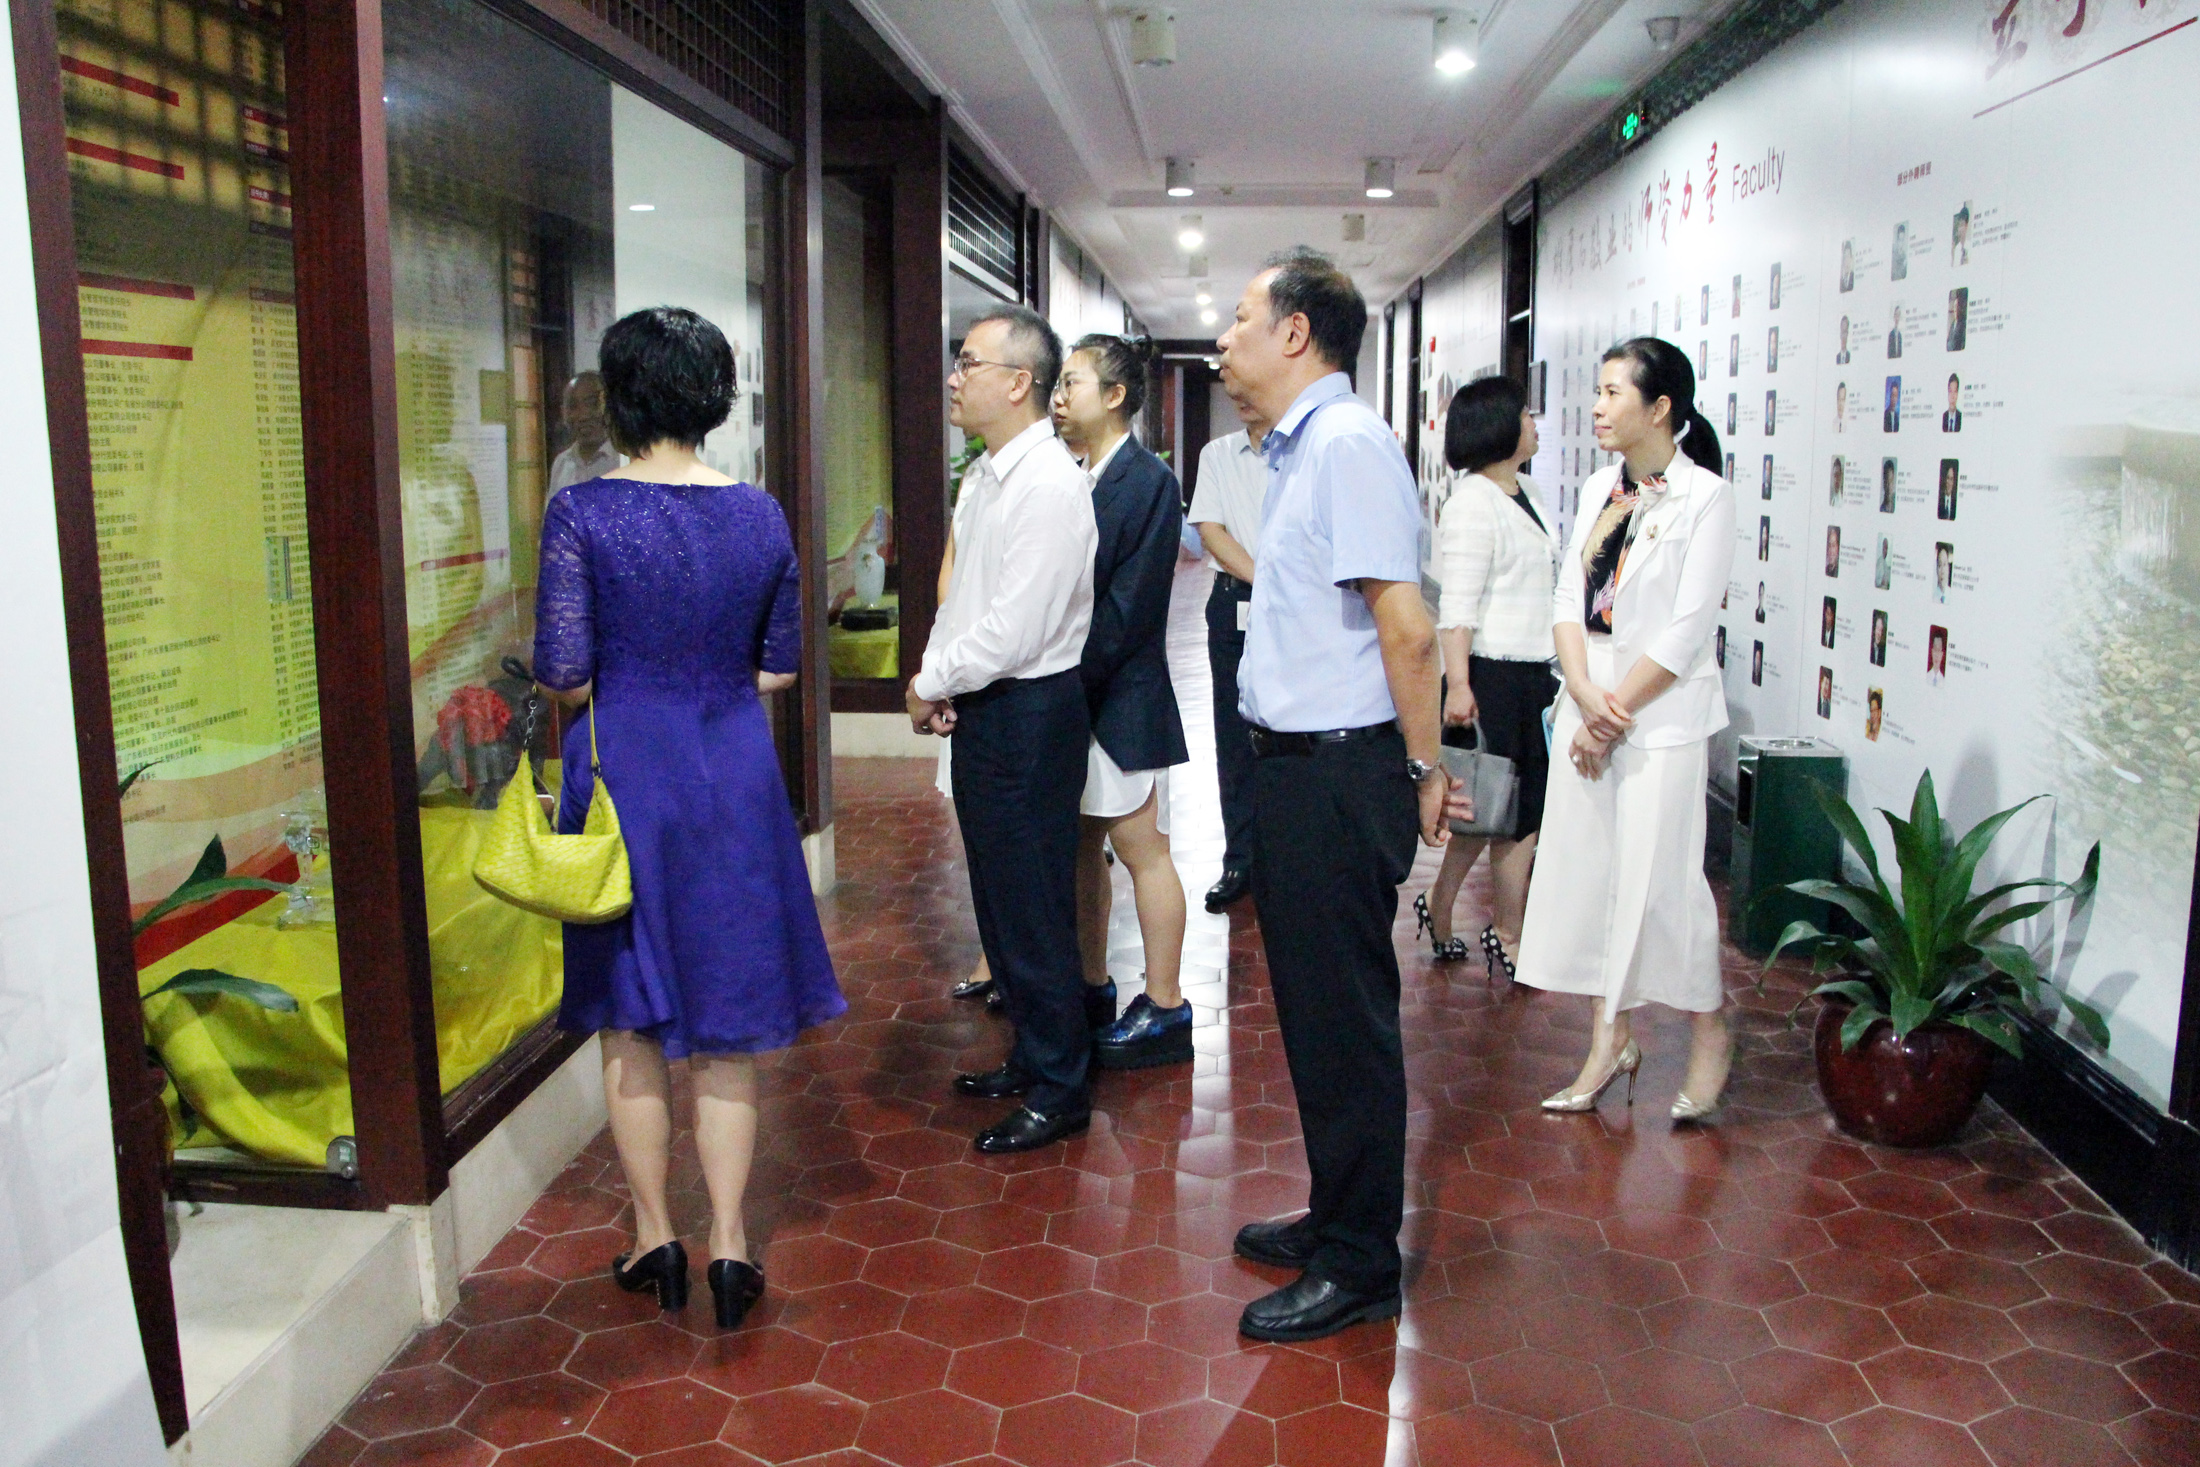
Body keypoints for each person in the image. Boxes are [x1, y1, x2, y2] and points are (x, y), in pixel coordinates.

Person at [533, 306, 843, 1331]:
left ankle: (655, 1235)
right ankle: (732, 1246)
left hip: (622, 778)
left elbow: (565, 673)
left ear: (619, 399)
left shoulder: (580, 513)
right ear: (714, 398)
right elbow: (779, 665)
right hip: (731, 775)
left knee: (629, 1020)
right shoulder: (759, 514)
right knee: (728, 1019)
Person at [1215, 248, 1467, 1343]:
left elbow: (1405, 629)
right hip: (1296, 767)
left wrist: (1423, 770)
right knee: (1316, 1019)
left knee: (1346, 1023)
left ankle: (1361, 1262)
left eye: (1240, 319)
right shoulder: (1304, 449)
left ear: (1295, 334)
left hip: (1339, 770)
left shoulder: (1349, 445)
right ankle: (1337, 1214)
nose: (1224, 341)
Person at [1515, 336, 1738, 1124]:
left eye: (1614, 392)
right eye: (1599, 390)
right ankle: (1608, 1039)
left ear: (1661, 407)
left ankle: (1709, 1027)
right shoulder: (1596, 488)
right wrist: (1583, 693)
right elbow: (1568, 599)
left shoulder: (1706, 496)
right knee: (1593, 879)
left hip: (1658, 718)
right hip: (1590, 703)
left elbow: (1686, 630)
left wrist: (1611, 717)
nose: (1599, 407)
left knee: (1663, 886)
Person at [908, 306, 1100, 1155]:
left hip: (1030, 711)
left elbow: (1017, 629)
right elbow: (964, 602)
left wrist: (929, 682)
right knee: (998, 897)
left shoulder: (1049, 484)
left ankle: (1062, 1088)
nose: (954, 378)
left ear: (1020, 382)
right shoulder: (985, 477)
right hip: (988, 706)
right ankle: (1032, 1050)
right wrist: (941, 675)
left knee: (1033, 904)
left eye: (969, 363)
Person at [1051, 334, 1194, 1070]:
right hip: (1075, 694)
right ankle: (1090, 985)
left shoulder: (1148, 480)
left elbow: (1129, 610)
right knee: (1083, 847)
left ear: (1114, 396)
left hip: (1120, 695)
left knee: (1143, 849)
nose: (1057, 396)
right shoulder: (1072, 473)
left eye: (1071, 382)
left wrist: (1057, 676)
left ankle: (1166, 1006)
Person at [1414, 375, 1558, 980]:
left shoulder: (1526, 492)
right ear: (1498, 425)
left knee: (1503, 811)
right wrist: (1459, 685)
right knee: (1501, 812)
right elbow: (1457, 608)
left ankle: (1447, 907)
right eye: (1525, 414)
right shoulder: (1474, 502)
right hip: (1490, 677)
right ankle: (1507, 933)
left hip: (1532, 677)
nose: (1534, 423)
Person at [1190, 386, 1273, 913]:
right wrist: (1266, 581)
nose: (1241, 395)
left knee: (1288, 731)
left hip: (1299, 607)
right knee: (1234, 731)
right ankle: (1239, 859)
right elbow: (1209, 529)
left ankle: (1284, 859)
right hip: (1236, 601)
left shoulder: (1307, 450)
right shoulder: (1218, 454)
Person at [547, 371, 620, 492]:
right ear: (563, 412)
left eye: (592, 404)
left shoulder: (624, 459)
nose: (583, 415)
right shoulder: (562, 463)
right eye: (572, 406)